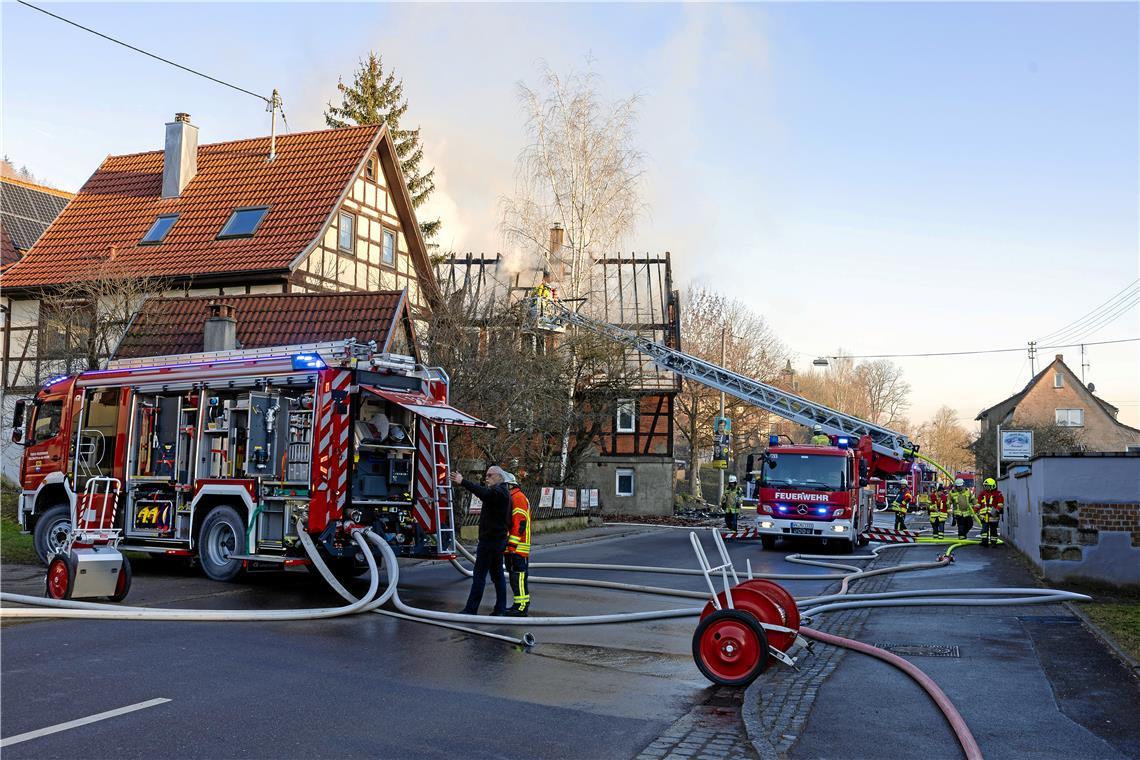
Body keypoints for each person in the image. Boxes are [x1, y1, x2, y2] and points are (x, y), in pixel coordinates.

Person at [450, 466, 512, 615]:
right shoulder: (502, 493)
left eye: (490, 475)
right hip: (496, 541)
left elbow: (483, 492)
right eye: (486, 475)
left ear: (499, 477)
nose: (487, 478)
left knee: (479, 576)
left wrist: (462, 481)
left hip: (490, 542)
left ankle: (471, 610)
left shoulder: (499, 492)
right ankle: (500, 609)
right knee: (497, 576)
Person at [503, 473, 532, 616]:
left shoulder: (518, 498)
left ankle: (521, 607)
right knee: (515, 579)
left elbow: (520, 523)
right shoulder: (512, 497)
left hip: (518, 549)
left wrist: (512, 546)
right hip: (512, 548)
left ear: (509, 485)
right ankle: (517, 604)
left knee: (519, 578)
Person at [976, 477, 1005, 547]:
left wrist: (997, 510)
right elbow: (978, 503)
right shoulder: (982, 494)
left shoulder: (998, 494)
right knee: (984, 530)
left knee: (993, 530)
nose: (986, 487)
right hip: (984, 516)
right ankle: (984, 542)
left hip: (993, 516)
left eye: (987, 486)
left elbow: (1000, 503)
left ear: (992, 486)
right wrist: (976, 510)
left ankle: (994, 542)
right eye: (985, 486)